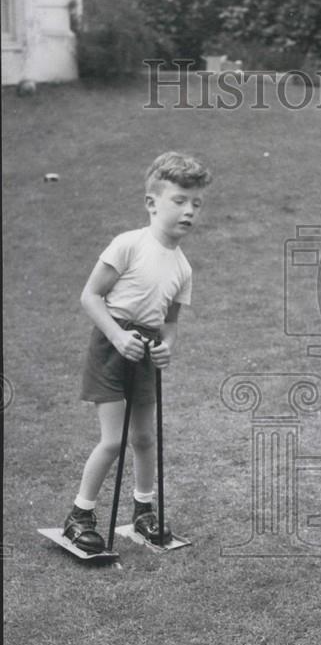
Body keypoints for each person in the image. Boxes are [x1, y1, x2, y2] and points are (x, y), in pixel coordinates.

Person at [62, 151, 212, 554]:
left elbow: (170, 323)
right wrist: (116, 336)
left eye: (197, 203)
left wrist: (166, 347)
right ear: (152, 203)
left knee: (144, 437)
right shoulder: (129, 244)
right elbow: (91, 296)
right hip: (112, 345)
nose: (189, 211)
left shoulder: (183, 268)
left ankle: (144, 512)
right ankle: (79, 515)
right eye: (179, 200)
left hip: (145, 349)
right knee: (113, 440)